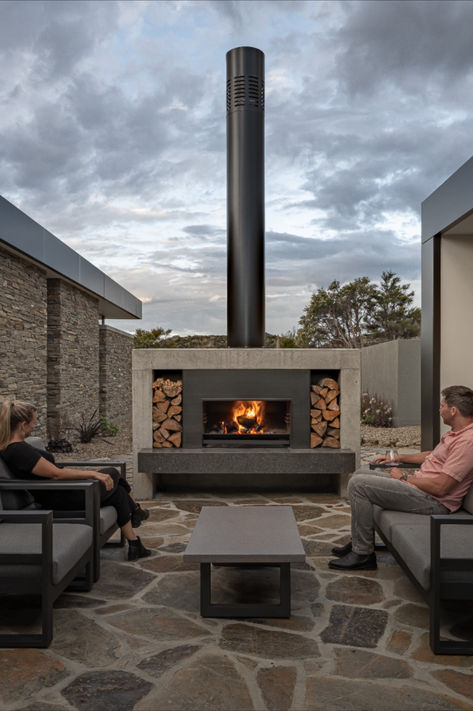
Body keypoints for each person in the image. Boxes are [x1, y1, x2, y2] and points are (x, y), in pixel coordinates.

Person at [329, 385, 473, 571]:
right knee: (360, 474)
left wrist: (404, 478)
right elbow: (433, 456)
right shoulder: (456, 433)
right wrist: (397, 458)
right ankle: (359, 540)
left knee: (359, 485)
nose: (439, 410)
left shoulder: (467, 442)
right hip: (422, 489)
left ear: (453, 411)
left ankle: (363, 554)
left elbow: (441, 487)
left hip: (434, 501)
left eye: (442, 405)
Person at [0, 400, 151, 562]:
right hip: (63, 498)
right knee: (112, 473)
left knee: (118, 492)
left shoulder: (15, 447)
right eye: (33, 423)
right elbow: (57, 474)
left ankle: (134, 544)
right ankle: (135, 511)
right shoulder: (18, 451)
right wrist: (93, 474)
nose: (34, 427)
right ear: (22, 425)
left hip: (63, 492)